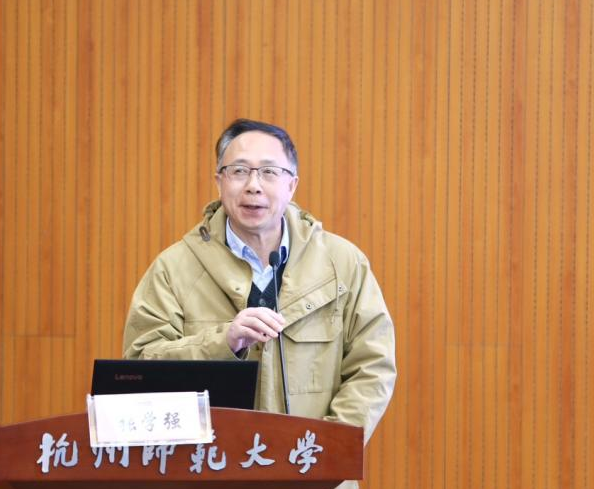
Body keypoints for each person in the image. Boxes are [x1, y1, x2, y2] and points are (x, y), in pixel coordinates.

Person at [122, 119, 396, 479]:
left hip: (313, 474)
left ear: (291, 185)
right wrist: (224, 342)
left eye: (269, 172)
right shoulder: (174, 268)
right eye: (239, 171)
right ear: (219, 181)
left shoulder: (342, 263)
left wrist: (323, 453)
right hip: (208, 474)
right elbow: (139, 367)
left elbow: (372, 366)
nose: (253, 185)